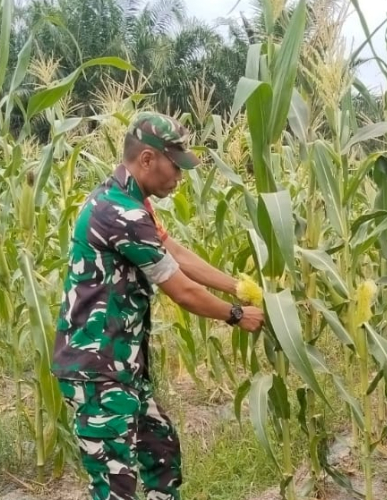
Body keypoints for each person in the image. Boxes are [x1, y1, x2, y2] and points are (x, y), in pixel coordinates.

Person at [51, 111, 265, 500]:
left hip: (123, 368)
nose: (180, 177)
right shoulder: (120, 214)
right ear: (147, 159)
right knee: (115, 487)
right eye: (175, 166)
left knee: (162, 454)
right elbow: (181, 290)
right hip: (98, 370)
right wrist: (237, 315)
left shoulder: (132, 204)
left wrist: (238, 286)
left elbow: (175, 252)